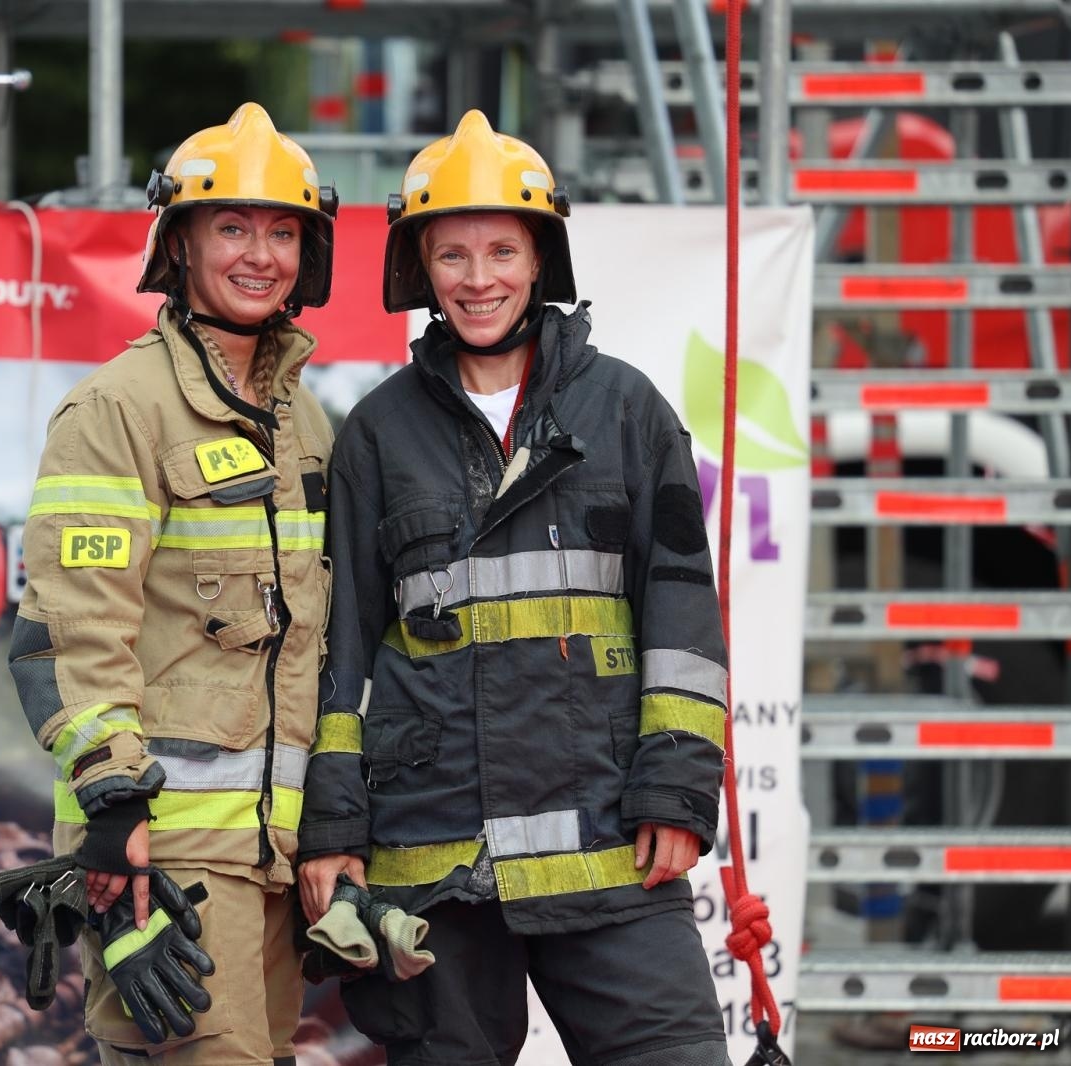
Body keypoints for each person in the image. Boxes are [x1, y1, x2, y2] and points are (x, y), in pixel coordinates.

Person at [297, 110, 729, 1066]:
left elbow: (682, 614)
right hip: (432, 852)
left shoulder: (625, 409)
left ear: (541, 260)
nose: (478, 278)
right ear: (419, 267)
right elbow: (341, 650)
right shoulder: (376, 434)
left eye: (502, 249)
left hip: (607, 836)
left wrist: (678, 786)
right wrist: (333, 826)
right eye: (452, 254)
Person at [8, 102, 338, 1066]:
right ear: (180, 245)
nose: (259, 254)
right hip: (163, 857)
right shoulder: (117, 408)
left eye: (282, 232)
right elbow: (71, 632)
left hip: (274, 862)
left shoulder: (309, 424)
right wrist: (113, 819)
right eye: (231, 227)